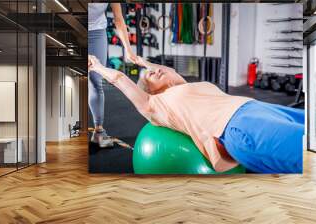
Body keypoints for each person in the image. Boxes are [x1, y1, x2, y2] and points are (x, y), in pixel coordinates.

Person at [88, 40, 304, 174]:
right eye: (149, 77)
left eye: (154, 69)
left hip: (258, 107)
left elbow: (162, 69)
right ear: (151, 92)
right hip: (237, 128)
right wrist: (97, 66)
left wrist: (142, 62)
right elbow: (118, 78)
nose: (153, 72)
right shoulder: (155, 104)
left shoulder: (184, 84)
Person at [88, 3, 137, 147]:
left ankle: (98, 132)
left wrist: (128, 49)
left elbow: (118, 18)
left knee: (95, 80)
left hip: (97, 30)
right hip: (74, 27)